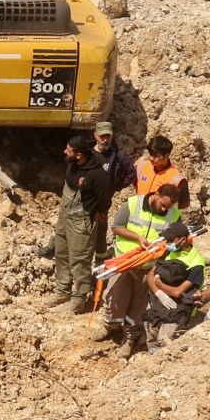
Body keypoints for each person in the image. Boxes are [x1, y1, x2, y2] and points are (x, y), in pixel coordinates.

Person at [89, 182, 180, 353]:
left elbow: (176, 240)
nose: (163, 210)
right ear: (157, 194)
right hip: (124, 264)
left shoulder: (174, 214)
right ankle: (110, 325)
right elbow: (117, 227)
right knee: (115, 298)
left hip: (148, 269)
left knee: (138, 305)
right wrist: (138, 238)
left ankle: (129, 338)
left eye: (167, 207)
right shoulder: (133, 204)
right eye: (162, 205)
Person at [47, 133, 112, 313]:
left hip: (81, 222)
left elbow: (105, 201)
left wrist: (96, 212)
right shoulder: (72, 164)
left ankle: (79, 299)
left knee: (79, 261)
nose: (64, 152)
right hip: (64, 217)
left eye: (68, 150)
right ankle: (63, 290)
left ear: (78, 155)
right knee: (61, 254)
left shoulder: (97, 174)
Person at [144, 219, 208, 348]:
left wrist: (158, 283)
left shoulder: (196, 263)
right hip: (158, 304)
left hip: (178, 310)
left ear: (183, 240)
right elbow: (149, 275)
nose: (166, 243)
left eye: (170, 240)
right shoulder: (170, 252)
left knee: (165, 342)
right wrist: (158, 292)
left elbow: (177, 292)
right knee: (151, 337)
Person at [133, 134, 190, 208]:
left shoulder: (177, 179)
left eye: (155, 156)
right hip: (138, 213)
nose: (151, 158)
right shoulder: (141, 166)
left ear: (166, 156)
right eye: (150, 154)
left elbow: (184, 204)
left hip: (160, 218)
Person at [90, 121, 132, 197]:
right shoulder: (88, 154)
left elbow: (131, 173)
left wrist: (116, 186)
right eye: (102, 136)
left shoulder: (118, 155)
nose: (105, 140)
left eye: (108, 136)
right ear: (95, 135)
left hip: (104, 200)